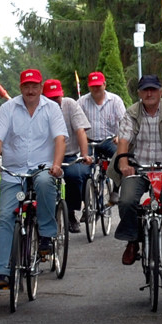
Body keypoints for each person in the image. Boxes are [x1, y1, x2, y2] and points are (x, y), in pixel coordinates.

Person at [110, 74, 162, 290]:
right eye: (145, 90)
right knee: (127, 201)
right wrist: (123, 165)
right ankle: (133, 241)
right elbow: (124, 141)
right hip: (138, 167)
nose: (149, 94)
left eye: (153, 90)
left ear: (160, 91)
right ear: (139, 93)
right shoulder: (132, 112)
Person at [0, 69, 68, 289]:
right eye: (26, 86)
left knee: (43, 183)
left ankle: (46, 236)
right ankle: (3, 271)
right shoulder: (8, 109)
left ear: (41, 87)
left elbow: (60, 139)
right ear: (20, 88)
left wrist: (57, 165)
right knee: (5, 217)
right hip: (14, 172)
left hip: (42, 168)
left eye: (34, 86)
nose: (30, 90)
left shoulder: (51, 109)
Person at [42, 79, 92, 233]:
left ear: (62, 94)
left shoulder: (70, 105)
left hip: (69, 154)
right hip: (47, 156)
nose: (54, 101)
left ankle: (70, 213)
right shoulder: (39, 108)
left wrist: (84, 154)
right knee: (41, 182)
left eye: (56, 97)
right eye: (50, 98)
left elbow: (80, 130)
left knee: (75, 176)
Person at [77, 71, 126, 203]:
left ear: (104, 84)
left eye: (98, 85)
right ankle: (87, 202)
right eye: (93, 86)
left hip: (110, 140)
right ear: (88, 86)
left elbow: (125, 122)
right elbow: (75, 124)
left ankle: (115, 190)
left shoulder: (115, 101)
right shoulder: (82, 102)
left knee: (120, 158)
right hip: (90, 142)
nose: (96, 88)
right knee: (81, 171)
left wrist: (119, 136)